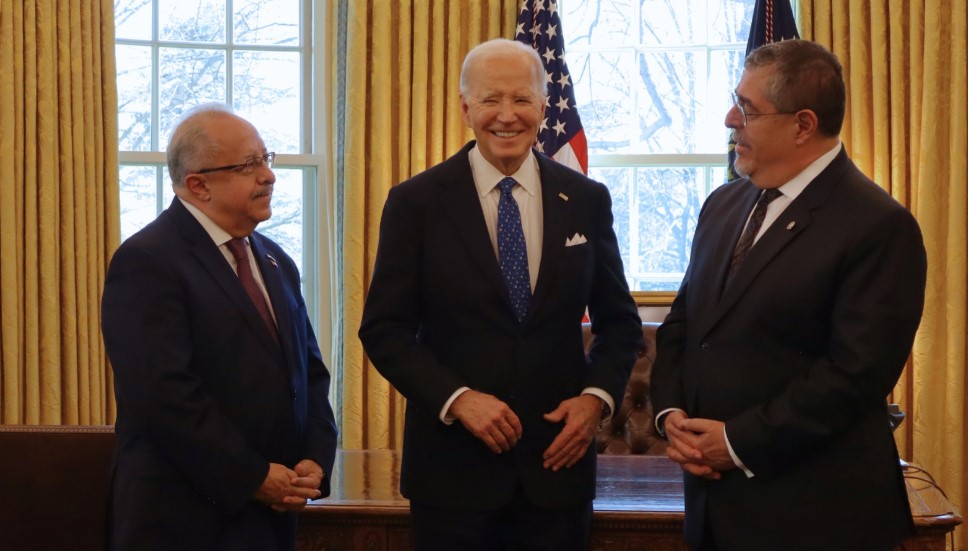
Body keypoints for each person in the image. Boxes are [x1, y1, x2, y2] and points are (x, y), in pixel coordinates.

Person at [358, 38, 643, 550]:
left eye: (521, 99)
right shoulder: (415, 203)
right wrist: (458, 399)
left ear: (542, 106)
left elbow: (619, 322)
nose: (506, 116)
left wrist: (595, 400)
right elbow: (384, 330)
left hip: (559, 469)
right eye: (491, 100)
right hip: (452, 477)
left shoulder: (585, 199)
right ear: (466, 108)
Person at [650, 39, 927, 551]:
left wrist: (734, 444)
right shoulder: (723, 203)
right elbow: (686, 324)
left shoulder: (878, 225)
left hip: (816, 516)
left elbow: (854, 375)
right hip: (713, 507)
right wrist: (673, 418)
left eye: (748, 109)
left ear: (803, 125)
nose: (730, 118)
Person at [101, 104, 338, 550]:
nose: (268, 175)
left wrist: (314, 457)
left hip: (270, 516)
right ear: (198, 185)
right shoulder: (148, 261)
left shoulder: (273, 259)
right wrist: (251, 476)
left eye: (266, 159)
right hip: (182, 519)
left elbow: (309, 372)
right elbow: (162, 395)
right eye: (249, 165)